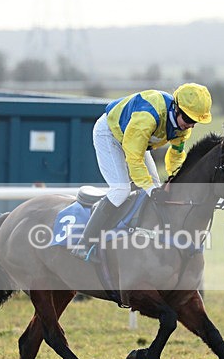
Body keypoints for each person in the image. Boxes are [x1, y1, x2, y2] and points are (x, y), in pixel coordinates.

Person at [71, 83, 212, 260]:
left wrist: (177, 181)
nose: (191, 125)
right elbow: (134, 158)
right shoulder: (148, 116)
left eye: (196, 122)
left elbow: (176, 157)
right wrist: (151, 189)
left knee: (156, 187)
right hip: (110, 134)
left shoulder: (182, 129)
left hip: (138, 142)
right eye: (189, 119)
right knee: (121, 190)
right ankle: (84, 243)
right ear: (176, 108)